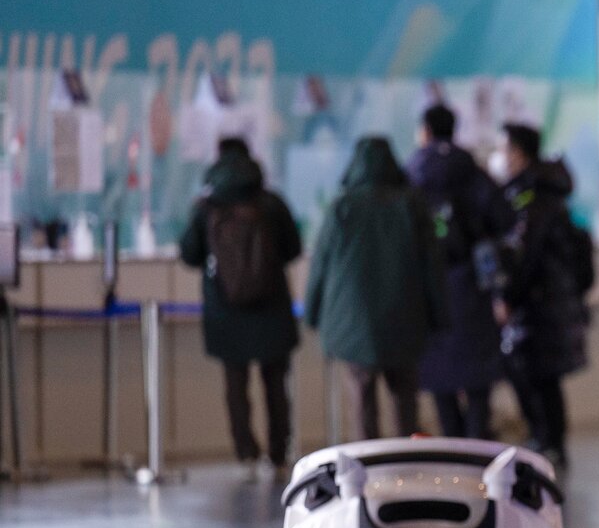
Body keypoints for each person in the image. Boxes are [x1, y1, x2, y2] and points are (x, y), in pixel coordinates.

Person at [305, 136, 444, 440]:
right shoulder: (412, 205)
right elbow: (432, 266)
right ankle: (406, 466)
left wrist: (312, 312)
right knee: (405, 399)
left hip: (354, 322)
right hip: (405, 318)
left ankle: (367, 470)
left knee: (362, 402)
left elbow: (321, 266)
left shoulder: (342, 207)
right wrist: (439, 315)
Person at [178, 136, 301, 478]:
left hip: (224, 309)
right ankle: (278, 454)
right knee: (275, 384)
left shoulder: (206, 207)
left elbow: (189, 254)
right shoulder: (271, 203)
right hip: (272, 304)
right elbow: (293, 249)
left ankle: (246, 453)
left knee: (236, 385)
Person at [406, 104, 516, 438]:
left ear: (425, 131)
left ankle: (452, 450)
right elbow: (506, 220)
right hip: (472, 288)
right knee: (477, 378)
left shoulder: (412, 175)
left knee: (440, 377)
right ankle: (477, 451)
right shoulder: (473, 173)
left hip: (430, 291)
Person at [490, 123, 588, 468]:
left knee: (538, 376)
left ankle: (548, 445)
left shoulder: (533, 199)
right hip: (548, 301)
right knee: (541, 376)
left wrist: (507, 296)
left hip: (540, 303)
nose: (499, 157)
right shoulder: (541, 193)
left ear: (518, 153)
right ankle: (549, 443)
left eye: (503, 149)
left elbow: (524, 256)